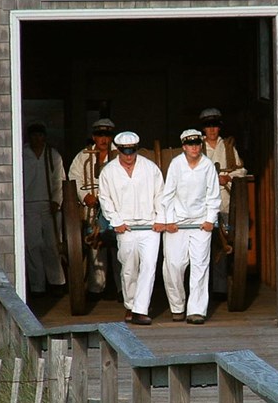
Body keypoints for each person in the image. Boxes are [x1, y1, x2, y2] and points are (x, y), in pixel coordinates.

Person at [98, 131, 165, 325]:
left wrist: (160, 218)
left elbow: (160, 194)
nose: (129, 156)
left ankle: (140, 310)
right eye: (125, 151)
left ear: (137, 149)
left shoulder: (150, 168)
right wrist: (116, 221)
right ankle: (130, 305)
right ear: (118, 150)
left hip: (149, 226)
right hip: (125, 227)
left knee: (149, 266)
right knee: (128, 268)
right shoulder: (108, 171)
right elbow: (105, 198)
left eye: (132, 151)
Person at [161, 129, 221, 324]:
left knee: (200, 265)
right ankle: (177, 306)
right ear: (184, 147)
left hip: (200, 222)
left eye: (197, 144)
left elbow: (213, 194)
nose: (194, 148)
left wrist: (210, 218)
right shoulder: (176, 164)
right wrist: (169, 219)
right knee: (174, 265)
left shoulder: (207, 166)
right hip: (177, 222)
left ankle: (196, 310)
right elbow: (168, 194)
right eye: (190, 145)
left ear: (200, 145)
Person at [68, 118, 122, 299]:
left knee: (119, 247)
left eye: (107, 135)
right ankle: (96, 288)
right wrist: (84, 196)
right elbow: (73, 177)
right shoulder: (83, 155)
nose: (103, 139)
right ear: (94, 136)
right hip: (93, 208)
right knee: (95, 246)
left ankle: (122, 290)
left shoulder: (120, 153)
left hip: (116, 208)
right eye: (100, 135)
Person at [198, 107, 247, 295]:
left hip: (223, 198)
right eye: (208, 126)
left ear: (219, 128)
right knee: (201, 244)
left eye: (215, 126)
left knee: (222, 240)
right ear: (203, 128)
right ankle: (200, 290)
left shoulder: (227, 147)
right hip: (201, 199)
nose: (211, 130)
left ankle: (219, 288)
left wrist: (228, 177)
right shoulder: (197, 146)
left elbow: (241, 170)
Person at [22, 121, 66, 296]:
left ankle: (56, 282)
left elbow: (60, 180)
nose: (37, 139)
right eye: (34, 135)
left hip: (49, 204)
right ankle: (37, 286)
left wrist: (57, 201)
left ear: (44, 137)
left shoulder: (52, 154)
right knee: (33, 246)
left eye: (40, 135)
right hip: (29, 204)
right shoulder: (22, 154)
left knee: (52, 245)